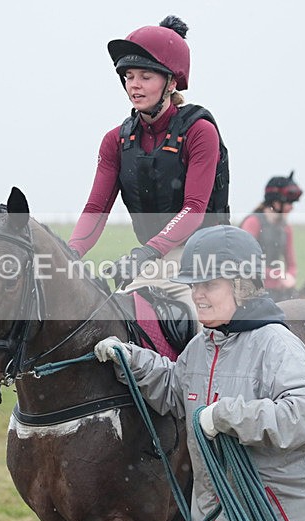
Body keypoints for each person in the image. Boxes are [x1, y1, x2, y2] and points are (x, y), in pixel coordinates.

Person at [93, 226, 305, 521]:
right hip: (230, 520)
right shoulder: (202, 346)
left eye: (209, 284)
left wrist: (226, 416)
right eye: (194, 285)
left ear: (242, 286)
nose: (197, 294)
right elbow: (175, 390)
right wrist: (130, 361)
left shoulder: (276, 345)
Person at [67, 15, 230, 315]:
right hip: (154, 259)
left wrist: (147, 253)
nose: (135, 86)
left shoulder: (199, 131)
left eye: (145, 76)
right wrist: (70, 253)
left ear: (170, 82)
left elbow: (194, 208)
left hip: (207, 255)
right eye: (129, 76)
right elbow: (95, 209)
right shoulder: (114, 141)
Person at [239, 171, 302, 301]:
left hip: (279, 291)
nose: (291, 208)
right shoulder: (253, 222)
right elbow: (245, 262)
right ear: (276, 203)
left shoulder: (286, 228)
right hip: (253, 290)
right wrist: (278, 275)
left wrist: (290, 276)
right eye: (289, 203)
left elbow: (292, 264)